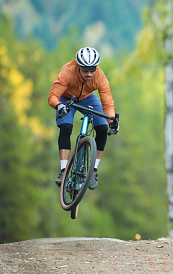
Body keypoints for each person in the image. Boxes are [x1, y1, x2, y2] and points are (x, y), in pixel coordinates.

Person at [48, 47, 119, 190]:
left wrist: (112, 122)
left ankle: (93, 172)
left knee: (103, 127)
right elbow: (53, 96)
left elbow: (107, 102)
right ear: (78, 66)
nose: (89, 74)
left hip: (88, 98)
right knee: (66, 127)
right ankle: (63, 171)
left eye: (92, 70)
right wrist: (59, 106)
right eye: (85, 70)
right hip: (66, 98)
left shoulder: (100, 76)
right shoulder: (68, 71)